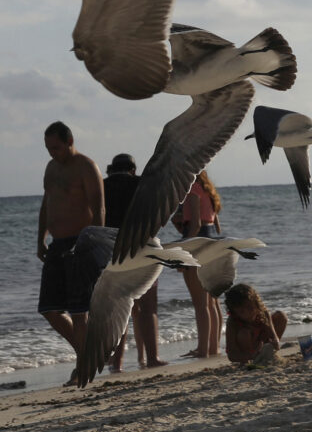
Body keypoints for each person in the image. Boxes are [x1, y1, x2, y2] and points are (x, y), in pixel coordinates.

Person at [36, 121, 106, 355]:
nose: (52, 153)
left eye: (56, 148)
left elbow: (99, 210)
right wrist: (40, 240)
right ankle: (87, 356)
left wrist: (94, 247)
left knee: (79, 311)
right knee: (49, 308)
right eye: (48, 148)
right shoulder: (51, 168)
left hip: (81, 243)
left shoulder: (86, 167)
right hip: (57, 245)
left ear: (70, 142)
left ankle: (83, 365)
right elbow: (47, 206)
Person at [103, 154, 164, 369]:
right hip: (142, 247)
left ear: (111, 169)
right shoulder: (141, 184)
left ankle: (117, 363)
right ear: (133, 169)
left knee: (120, 309)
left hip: (113, 251)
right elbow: (155, 216)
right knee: (148, 309)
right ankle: (153, 358)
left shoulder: (102, 187)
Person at [174, 172, 224, 359]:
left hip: (197, 242)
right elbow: (216, 225)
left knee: (200, 303)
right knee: (212, 301)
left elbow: (194, 224)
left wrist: (183, 251)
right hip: (211, 240)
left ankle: (203, 349)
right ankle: (213, 347)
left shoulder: (192, 189)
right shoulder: (207, 189)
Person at [224, 283, 288, 366]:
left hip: (262, 343)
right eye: (242, 311)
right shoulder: (232, 322)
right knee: (244, 333)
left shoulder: (262, 312)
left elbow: (273, 335)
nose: (248, 314)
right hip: (248, 353)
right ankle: (252, 360)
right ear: (234, 312)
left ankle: (269, 353)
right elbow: (231, 355)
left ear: (256, 302)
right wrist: (250, 355)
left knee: (281, 316)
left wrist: (275, 342)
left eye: (250, 307)